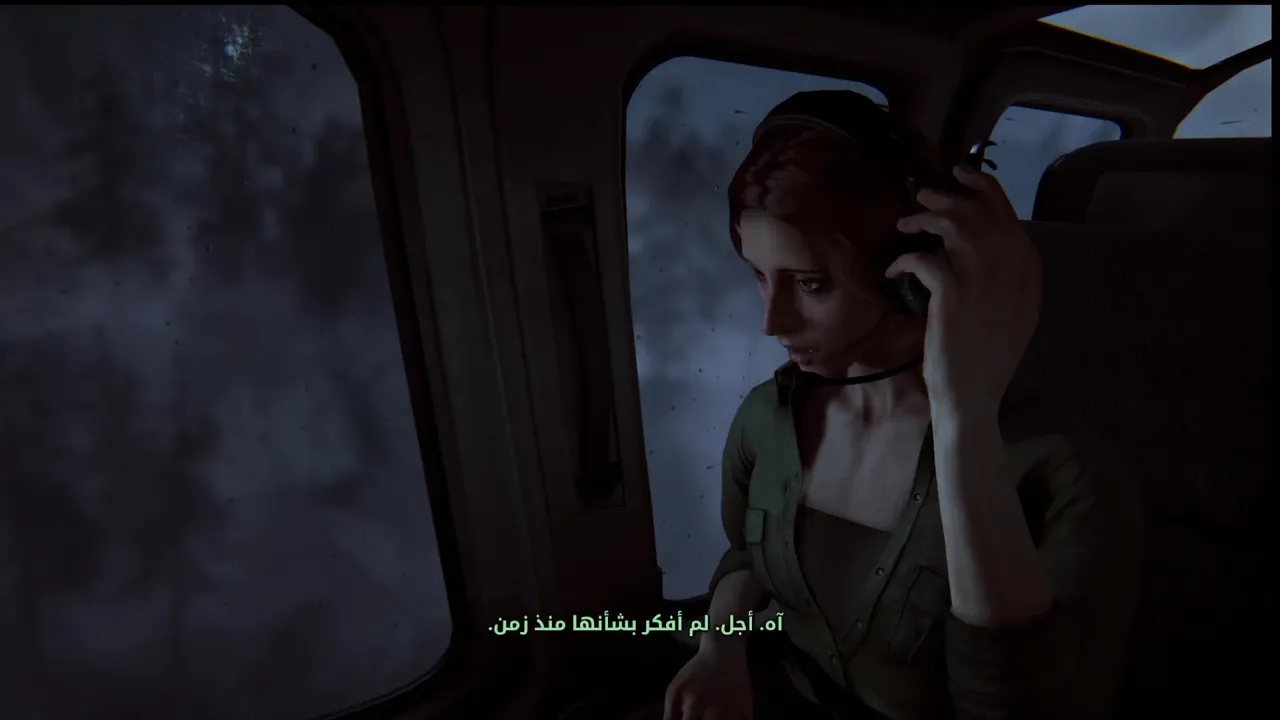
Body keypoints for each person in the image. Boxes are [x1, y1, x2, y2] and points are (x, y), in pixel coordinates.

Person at [662, 90, 1143, 720]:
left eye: (810, 284)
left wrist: (963, 417)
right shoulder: (767, 417)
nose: (771, 322)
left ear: (907, 276)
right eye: (758, 275)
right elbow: (748, 556)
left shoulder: (1065, 475)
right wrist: (719, 649)